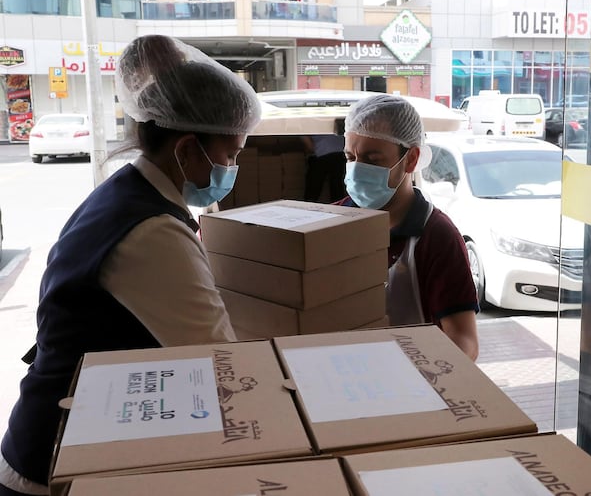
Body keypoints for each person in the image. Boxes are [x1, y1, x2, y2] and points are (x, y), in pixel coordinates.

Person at [0, 35, 262, 495]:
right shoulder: (152, 231)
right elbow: (221, 361)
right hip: (54, 463)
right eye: (231, 153)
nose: (232, 166)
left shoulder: (125, 192)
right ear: (185, 150)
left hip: (72, 431)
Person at [337, 94, 479, 360]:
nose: (356, 170)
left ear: (411, 159)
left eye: (372, 159)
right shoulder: (332, 220)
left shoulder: (436, 236)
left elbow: (464, 342)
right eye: (350, 157)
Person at [301, 134, 346, 202]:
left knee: (313, 188)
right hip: (341, 152)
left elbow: (309, 146)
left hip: (321, 154)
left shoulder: (303, 125)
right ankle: (338, 208)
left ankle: (309, 207)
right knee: (337, 187)